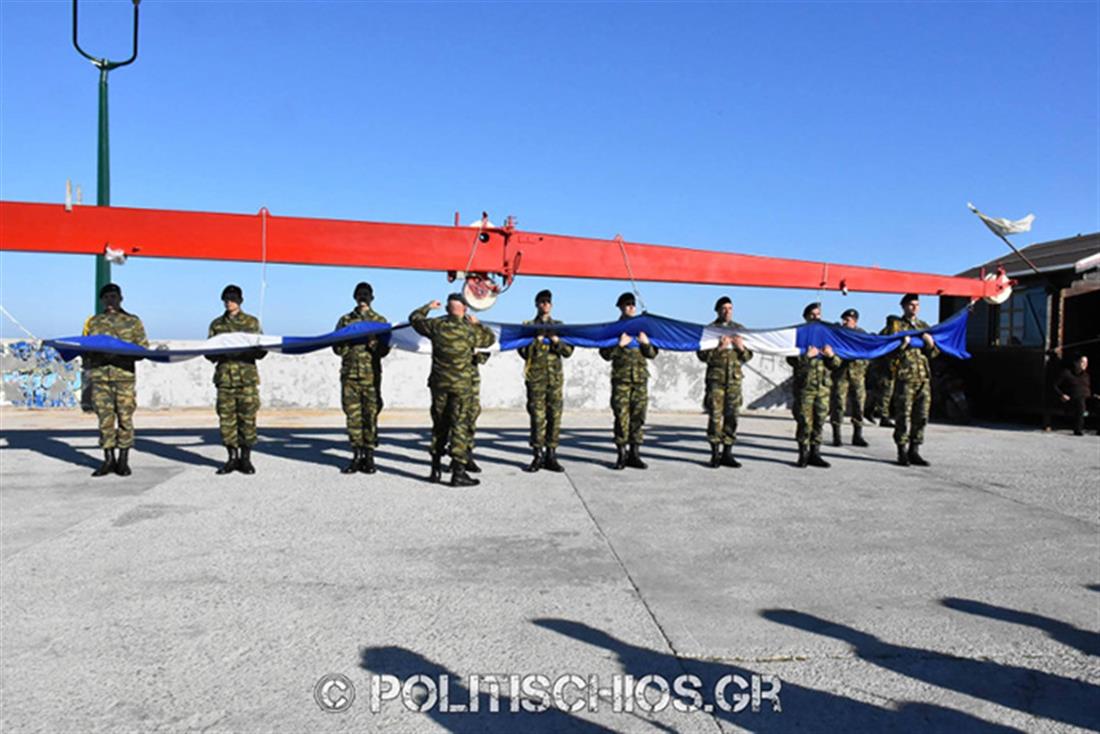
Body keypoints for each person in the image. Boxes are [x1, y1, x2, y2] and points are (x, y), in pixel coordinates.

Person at [409, 293, 496, 486]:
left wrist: (428, 306)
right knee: (459, 426)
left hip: (439, 385)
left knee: (439, 425)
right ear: (465, 309)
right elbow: (489, 339)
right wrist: (477, 323)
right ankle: (458, 473)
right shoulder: (469, 330)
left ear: (447, 309)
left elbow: (414, 318)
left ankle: (435, 470)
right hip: (461, 386)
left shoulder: (436, 326)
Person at [81, 283, 148, 477]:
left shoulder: (132, 321)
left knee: (125, 419)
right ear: (102, 300)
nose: (110, 301)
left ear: (120, 298)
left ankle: (123, 460)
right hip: (101, 378)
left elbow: (142, 349)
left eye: (114, 297)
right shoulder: (93, 322)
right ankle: (108, 459)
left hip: (123, 378)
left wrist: (120, 355)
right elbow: (85, 347)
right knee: (105, 420)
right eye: (107, 297)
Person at [207, 285, 266, 475]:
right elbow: (209, 352)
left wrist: (252, 349)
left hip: (246, 379)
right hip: (225, 380)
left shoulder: (252, 322)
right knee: (227, 421)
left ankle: (246, 459)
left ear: (240, 300)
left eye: (233, 298)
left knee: (247, 419)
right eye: (226, 298)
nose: (229, 302)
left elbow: (263, 351)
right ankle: (231, 458)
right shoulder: (216, 325)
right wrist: (219, 351)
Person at [332, 282, 390, 474]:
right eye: (360, 294)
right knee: (353, 416)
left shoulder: (379, 321)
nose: (363, 298)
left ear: (372, 297)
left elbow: (384, 351)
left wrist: (375, 343)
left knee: (370, 416)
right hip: (350, 376)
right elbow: (336, 349)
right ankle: (356, 455)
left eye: (366, 295)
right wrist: (346, 340)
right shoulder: (345, 320)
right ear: (355, 297)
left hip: (371, 377)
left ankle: (370, 456)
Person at [599, 292, 658, 469]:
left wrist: (646, 343)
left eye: (633, 304)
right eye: (627, 304)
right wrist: (619, 344)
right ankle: (621, 454)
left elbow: (653, 354)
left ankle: (635, 454)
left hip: (640, 381)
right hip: (621, 381)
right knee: (621, 417)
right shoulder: (614, 329)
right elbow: (605, 354)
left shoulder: (643, 329)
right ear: (620, 307)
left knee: (638, 418)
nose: (631, 307)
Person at [517, 289, 574, 473]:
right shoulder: (528, 327)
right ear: (536, 304)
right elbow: (523, 353)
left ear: (551, 305)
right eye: (542, 302)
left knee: (554, 417)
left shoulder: (559, 326)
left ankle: (551, 455)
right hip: (536, 379)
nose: (545, 305)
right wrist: (537, 340)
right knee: (537, 418)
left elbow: (568, 352)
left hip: (555, 380)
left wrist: (556, 341)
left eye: (548, 302)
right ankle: (537, 455)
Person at [695, 296, 752, 468]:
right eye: (724, 308)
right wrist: (719, 349)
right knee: (715, 417)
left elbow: (749, 356)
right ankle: (715, 454)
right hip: (716, 381)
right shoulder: (710, 330)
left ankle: (728, 453)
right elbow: (702, 356)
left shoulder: (740, 330)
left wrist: (741, 348)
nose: (727, 311)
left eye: (730, 308)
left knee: (732, 416)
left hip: (734, 381)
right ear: (717, 310)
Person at [883, 293, 938, 466]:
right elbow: (887, 352)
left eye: (917, 304)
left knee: (921, 416)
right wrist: (902, 345)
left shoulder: (924, 327)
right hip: (905, 378)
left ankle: (915, 450)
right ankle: (902, 452)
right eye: (911, 304)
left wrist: (930, 345)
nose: (914, 307)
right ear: (904, 307)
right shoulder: (895, 327)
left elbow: (935, 354)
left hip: (923, 378)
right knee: (903, 416)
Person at [786, 302, 840, 468]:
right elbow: (791, 359)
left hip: (822, 388)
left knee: (819, 421)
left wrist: (831, 356)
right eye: (813, 315)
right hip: (805, 388)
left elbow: (836, 364)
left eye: (818, 314)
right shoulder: (800, 334)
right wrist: (807, 356)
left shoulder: (827, 335)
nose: (816, 317)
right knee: (804, 422)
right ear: (806, 317)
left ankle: (815, 453)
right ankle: (803, 454)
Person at [830, 308, 870, 448]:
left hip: (857, 374)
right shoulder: (838, 334)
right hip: (841, 373)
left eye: (848, 320)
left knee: (859, 405)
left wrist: (863, 365)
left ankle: (857, 435)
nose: (845, 322)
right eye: (844, 319)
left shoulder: (862, 335)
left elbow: (868, 352)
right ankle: (836, 435)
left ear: (855, 321)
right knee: (838, 405)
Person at [1053, 354, 1099, 436]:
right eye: (1082, 362)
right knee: (1081, 403)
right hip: (1073, 399)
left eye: (1086, 362)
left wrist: (1096, 395)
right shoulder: (1067, 373)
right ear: (1076, 362)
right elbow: (1054, 386)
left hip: (1087, 397)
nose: (1085, 364)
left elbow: (1092, 388)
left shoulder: (1087, 375)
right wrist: (1061, 395)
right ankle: (1078, 429)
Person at [463, 349, 491, 473]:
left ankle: (468, 455)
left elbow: (484, 357)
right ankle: (456, 458)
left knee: (471, 418)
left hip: (472, 382)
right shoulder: (450, 331)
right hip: (453, 379)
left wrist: (476, 352)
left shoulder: (477, 333)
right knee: (453, 419)